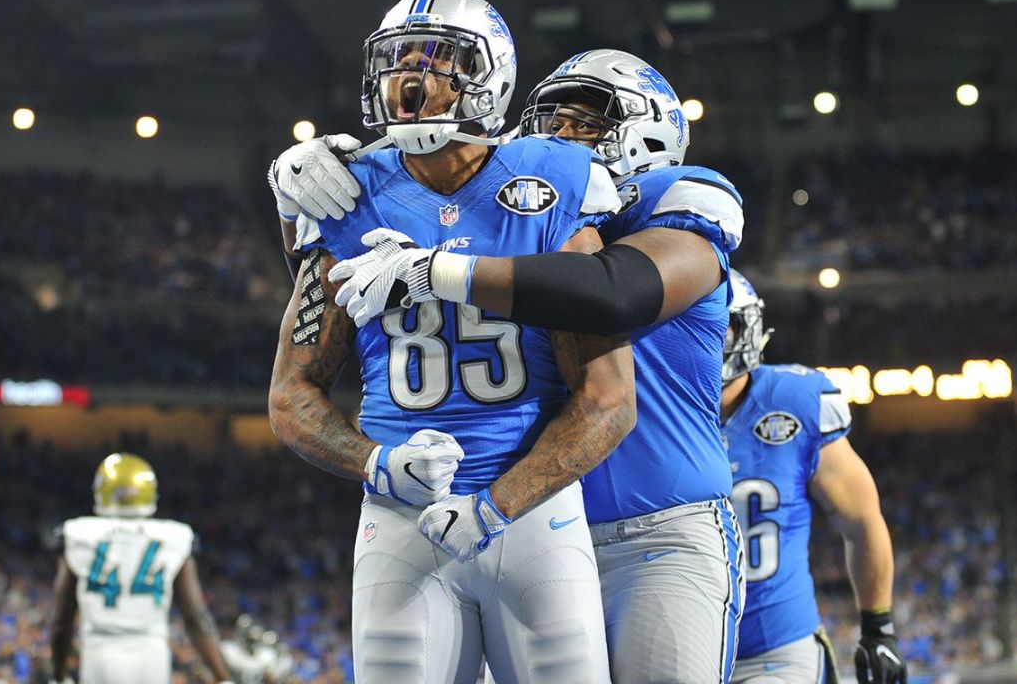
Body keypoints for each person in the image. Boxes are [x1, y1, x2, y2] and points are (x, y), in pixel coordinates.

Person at [280, 49, 747, 683]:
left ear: (654, 130)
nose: (559, 137)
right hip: (534, 516)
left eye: (585, 121)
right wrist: (311, 203)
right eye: (547, 121)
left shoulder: (677, 197)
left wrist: (433, 269)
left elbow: (611, 290)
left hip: (655, 534)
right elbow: (360, 297)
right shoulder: (520, 212)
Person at [266, 0, 633, 684]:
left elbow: (610, 399)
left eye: (437, 57)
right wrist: (376, 463)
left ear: (488, 75)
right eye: (397, 57)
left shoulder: (549, 181)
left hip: (533, 515)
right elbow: (291, 395)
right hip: (401, 520)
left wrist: (497, 506)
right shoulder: (346, 191)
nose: (410, 75)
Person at [719, 271, 907, 684]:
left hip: (775, 650)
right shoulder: (644, 407)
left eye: (722, 324)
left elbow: (861, 520)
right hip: (674, 643)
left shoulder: (794, 402)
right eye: (695, 323)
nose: (709, 338)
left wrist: (879, 628)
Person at [47, 453, 232, 684]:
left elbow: (62, 620)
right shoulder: (174, 537)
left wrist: (58, 675)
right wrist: (222, 677)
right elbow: (196, 617)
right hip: (151, 655)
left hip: (100, 652)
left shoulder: (78, 534)